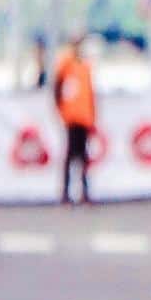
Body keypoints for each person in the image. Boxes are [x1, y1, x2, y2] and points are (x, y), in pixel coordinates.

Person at [53, 33, 96, 205]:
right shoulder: (66, 62)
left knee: (83, 156)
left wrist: (92, 115)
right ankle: (65, 192)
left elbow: (90, 93)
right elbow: (57, 87)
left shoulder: (85, 66)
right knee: (71, 155)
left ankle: (84, 192)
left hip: (84, 116)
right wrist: (61, 109)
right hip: (72, 116)